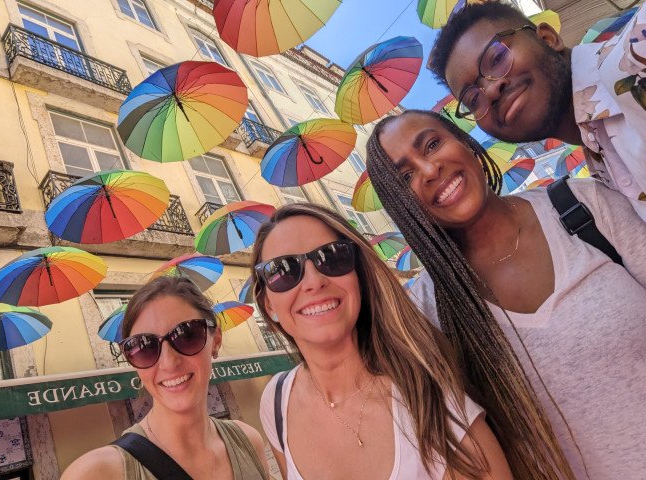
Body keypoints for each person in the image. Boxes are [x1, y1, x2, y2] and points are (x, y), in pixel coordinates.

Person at [366, 109, 646, 480]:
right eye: (406, 177)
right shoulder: (425, 312)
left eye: (432, 144)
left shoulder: (583, 206)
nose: (430, 170)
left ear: (464, 141)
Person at [251, 203, 513, 480]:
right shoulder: (277, 402)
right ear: (270, 306)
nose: (314, 281)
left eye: (332, 257)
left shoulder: (431, 403)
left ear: (359, 279)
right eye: (283, 270)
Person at [428, 0, 646, 219]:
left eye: (497, 58)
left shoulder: (635, 55)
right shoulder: (601, 161)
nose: (491, 90)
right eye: (473, 99)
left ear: (548, 39)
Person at [62, 276, 269, 480]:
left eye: (186, 335)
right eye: (144, 347)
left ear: (215, 341)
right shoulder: (96, 473)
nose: (169, 363)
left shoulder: (249, 442)